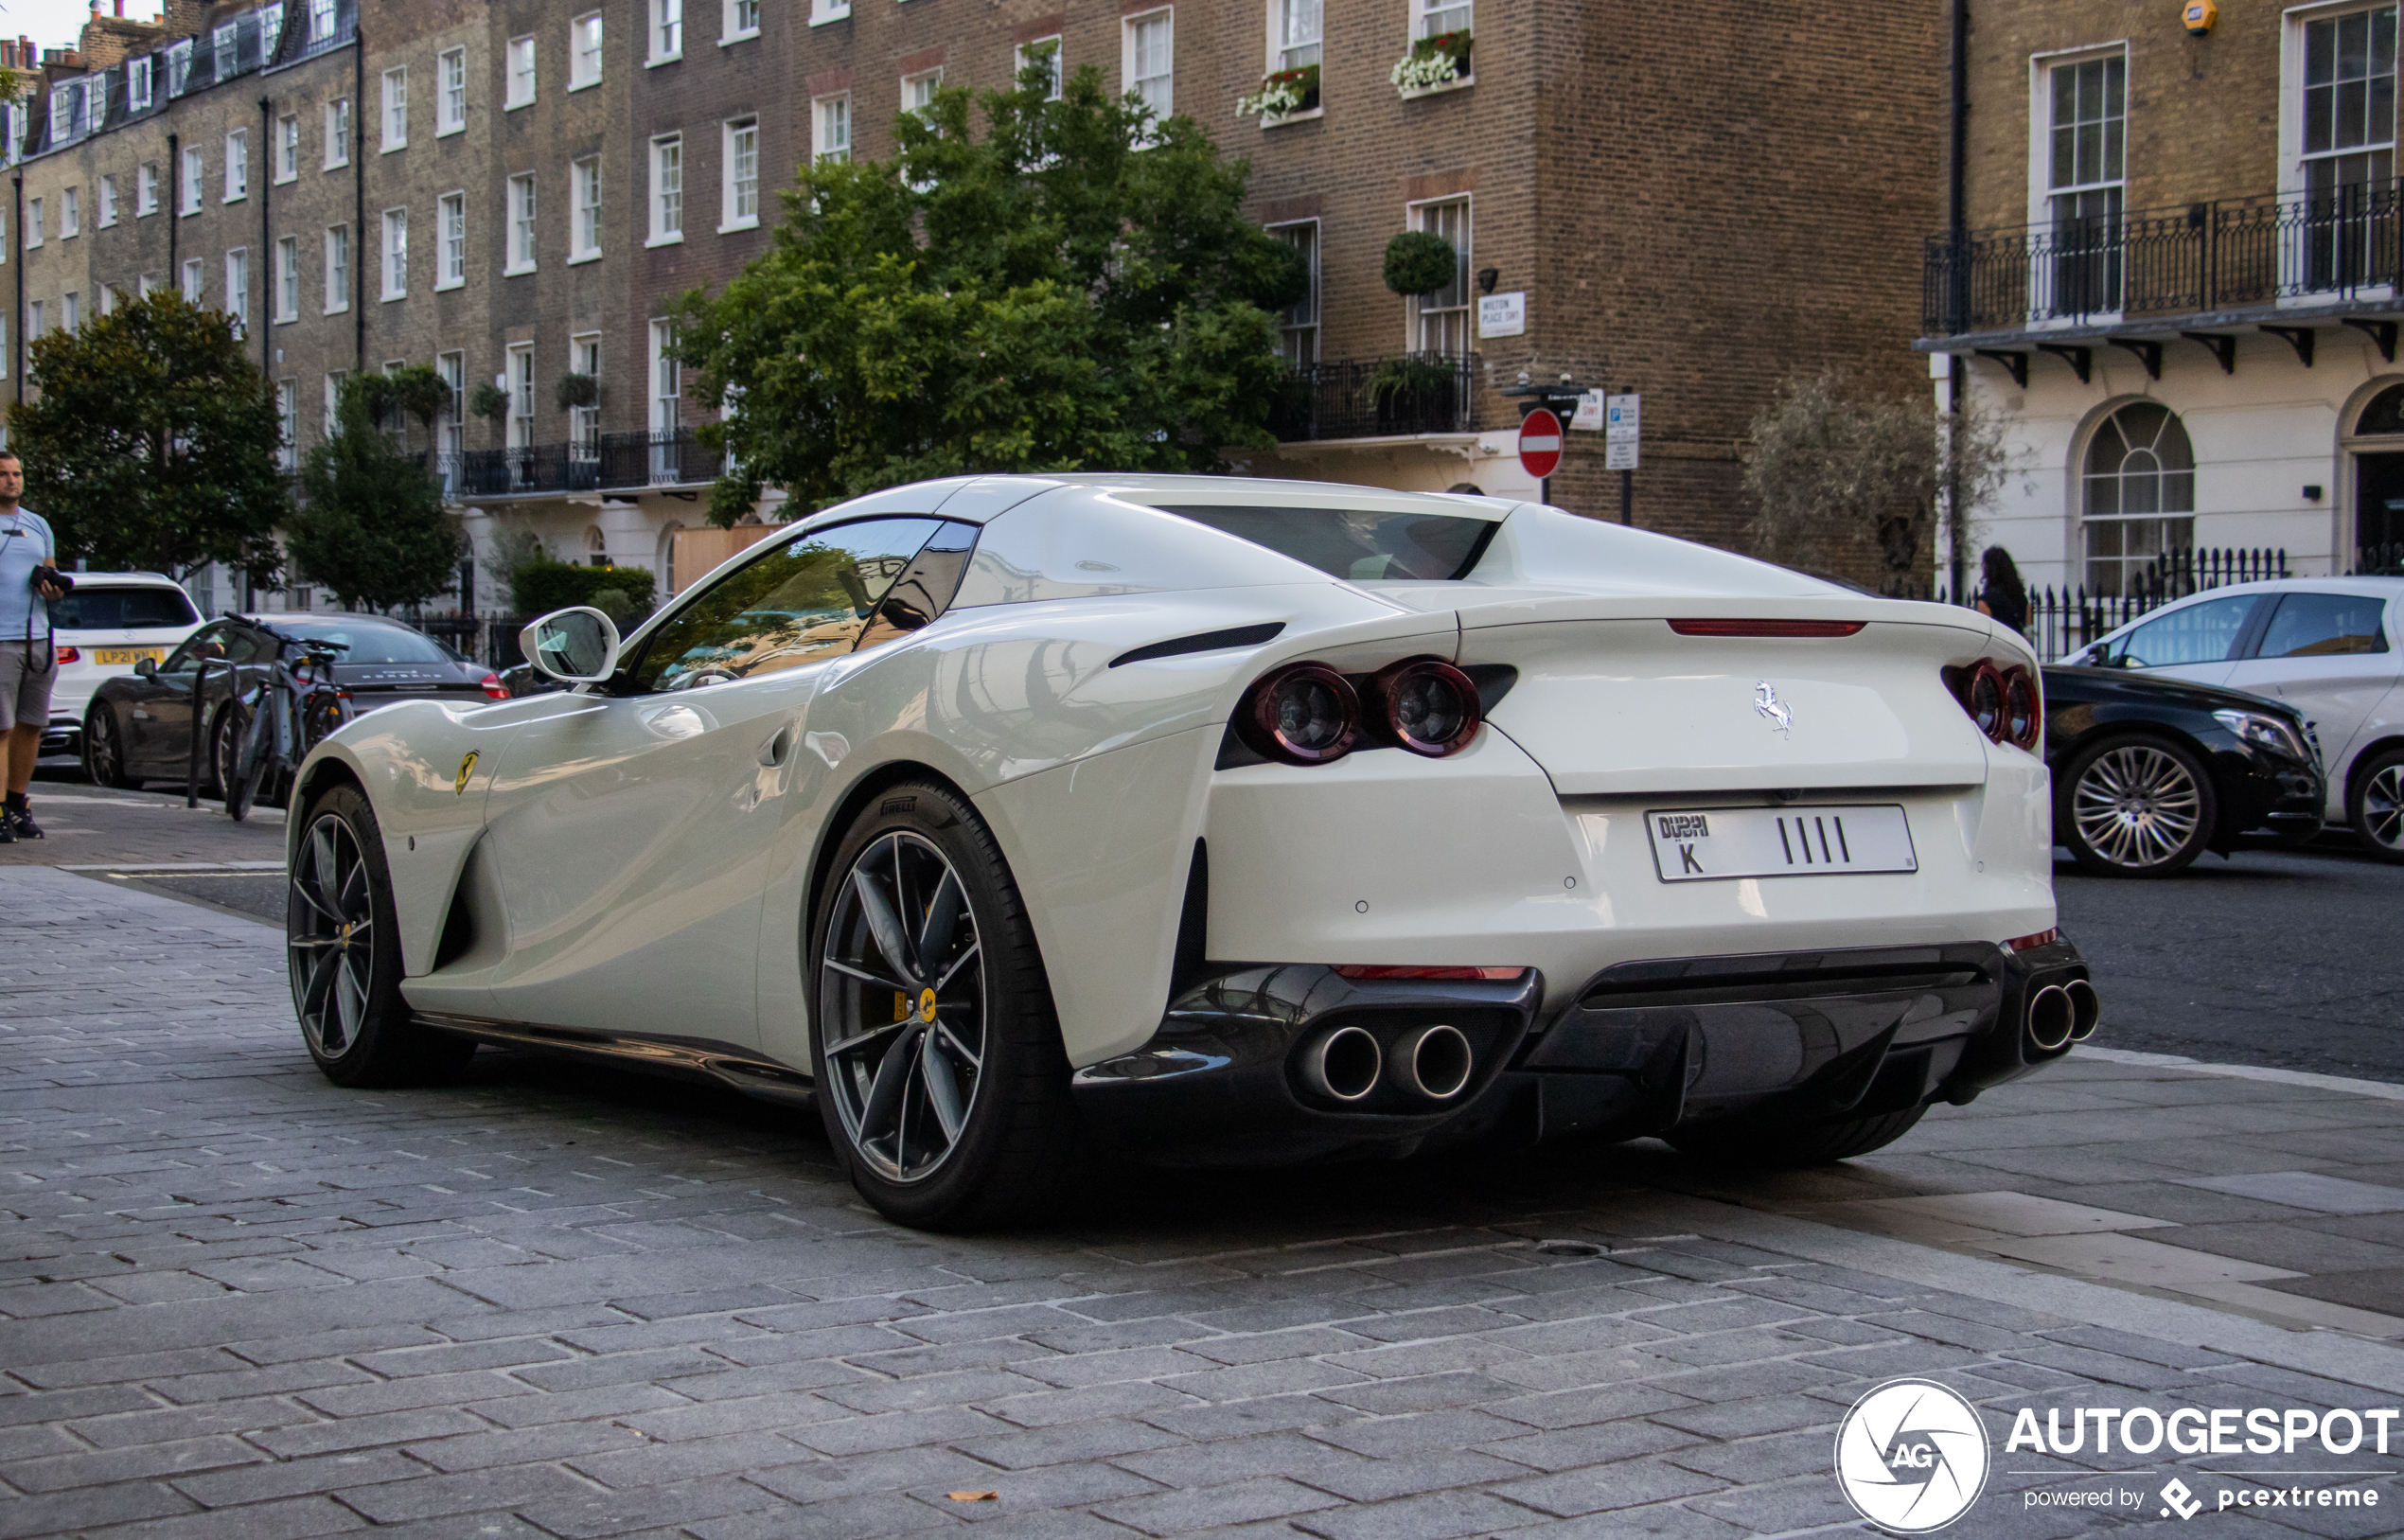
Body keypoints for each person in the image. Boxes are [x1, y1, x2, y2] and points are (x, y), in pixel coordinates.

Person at [0, 451, 67, 842]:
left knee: (31, 726)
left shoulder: (38, 525)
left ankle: (17, 803)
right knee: (1, 729)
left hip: (38, 637)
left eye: (17, 473)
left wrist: (52, 588)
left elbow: (50, 575)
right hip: (2, 640)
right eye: (4, 474)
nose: (12, 480)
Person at [1973, 544, 2029, 637]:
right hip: (2018, 646)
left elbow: (1983, 633)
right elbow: (2028, 631)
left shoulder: (1985, 601)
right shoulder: (2022, 599)